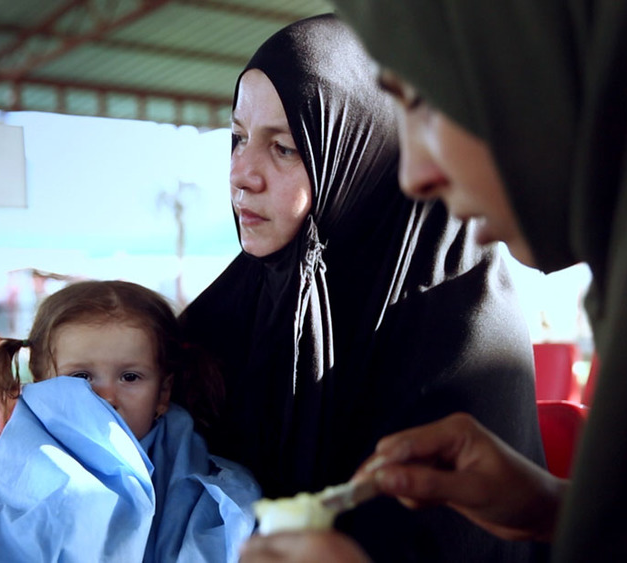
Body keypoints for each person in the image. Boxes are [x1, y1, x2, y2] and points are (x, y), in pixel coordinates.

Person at [241, 1, 627, 562]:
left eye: (429, 101)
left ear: (543, 61)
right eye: (236, 138)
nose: (414, 174)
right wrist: (557, 511)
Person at [180, 13, 547, 563]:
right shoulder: (213, 325)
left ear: (366, 156)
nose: (241, 173)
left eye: (284, 148)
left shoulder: (461, 321)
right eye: (238, 137)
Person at [0, 280, 261, 562]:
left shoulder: (185, 459)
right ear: (46, 386)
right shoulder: (30, 463)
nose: (106, 396)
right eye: (81, 377)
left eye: (130, 377)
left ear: (162, 393)